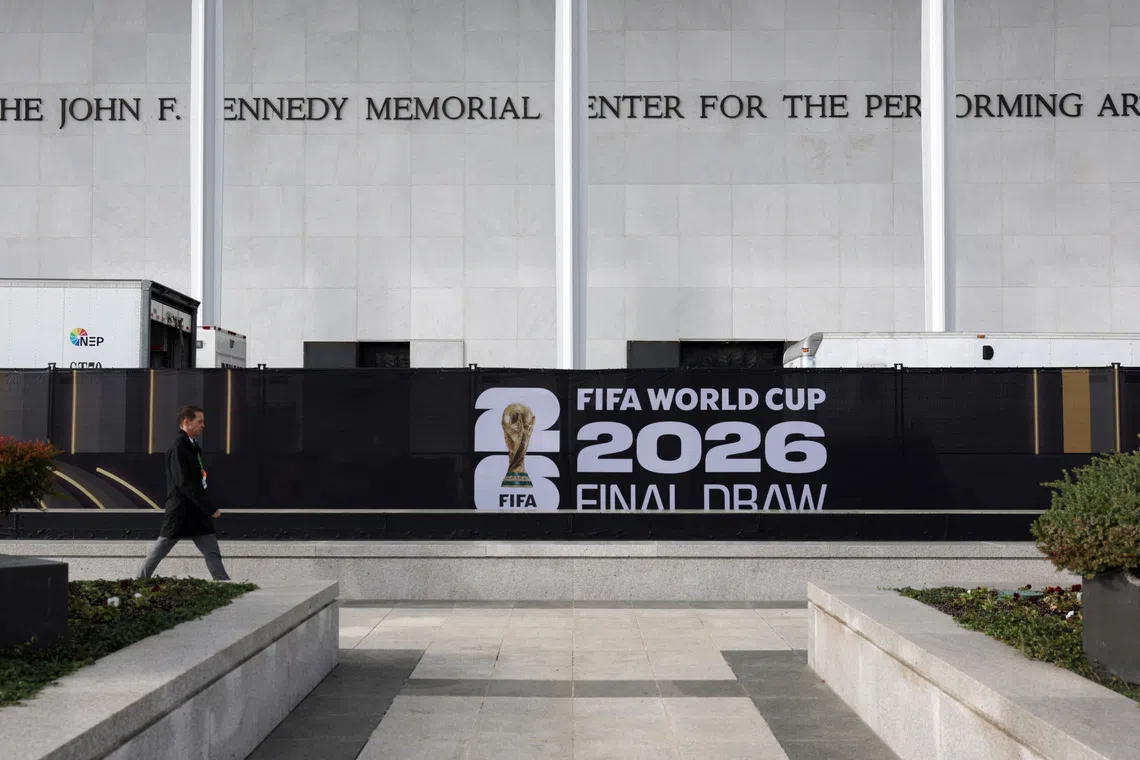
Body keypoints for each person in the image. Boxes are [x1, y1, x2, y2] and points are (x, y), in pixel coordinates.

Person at [136, 405, 231, 581]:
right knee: (161, 549)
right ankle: (139, 581)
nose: (203, 425)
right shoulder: (178, 448)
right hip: (181, 511)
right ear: (187, 422)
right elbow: (184, 483)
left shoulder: (192, 447)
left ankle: (224, 583)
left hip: (196, 511)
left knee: (211, 551)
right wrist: (209, 507)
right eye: (199, 421)